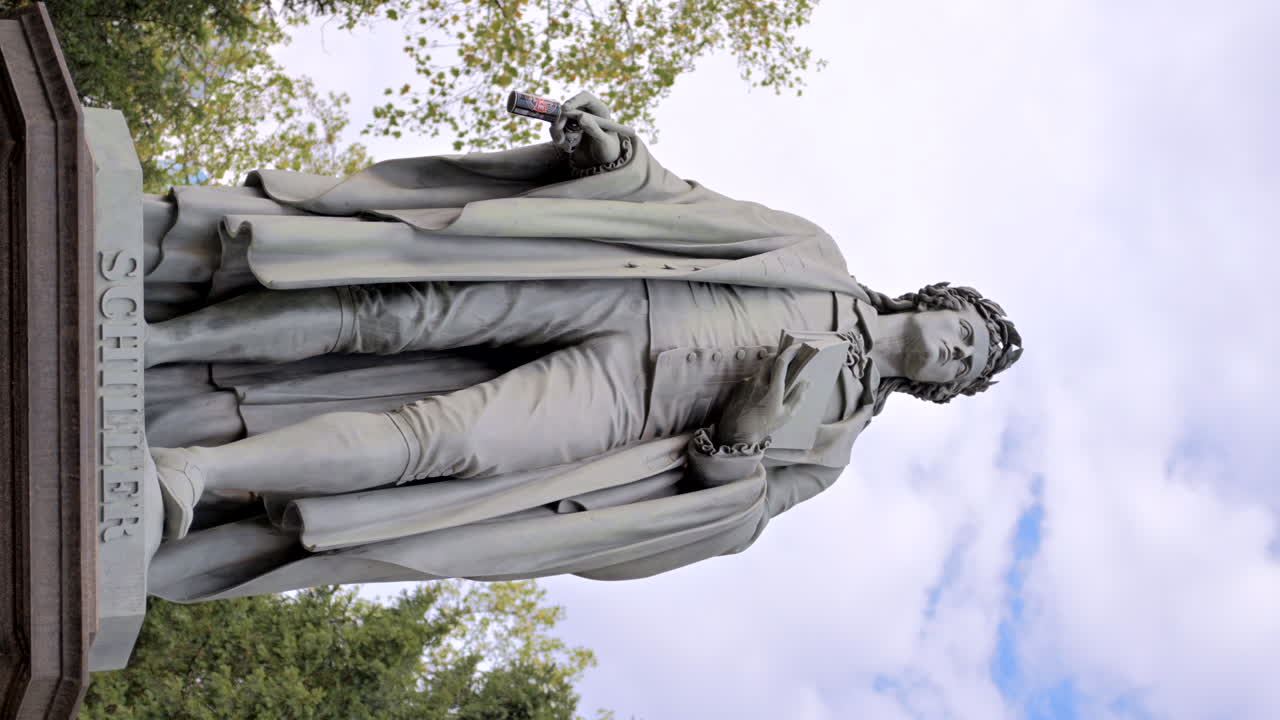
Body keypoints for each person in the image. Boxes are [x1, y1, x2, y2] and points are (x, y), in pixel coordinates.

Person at [140, 93, 1021, 602]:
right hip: (619, 285)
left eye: (968, 366)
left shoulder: (829, 453)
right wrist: (618, 160)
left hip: (625, 411)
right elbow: (688, 207)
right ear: (937, 301)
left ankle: (195, 471)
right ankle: (154, 343)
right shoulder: (814, 253)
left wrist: (739, 443)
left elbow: (735, 522)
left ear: (945, 392)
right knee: (388, 309)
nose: (957, 354)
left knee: (436, 442)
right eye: (966, 334)